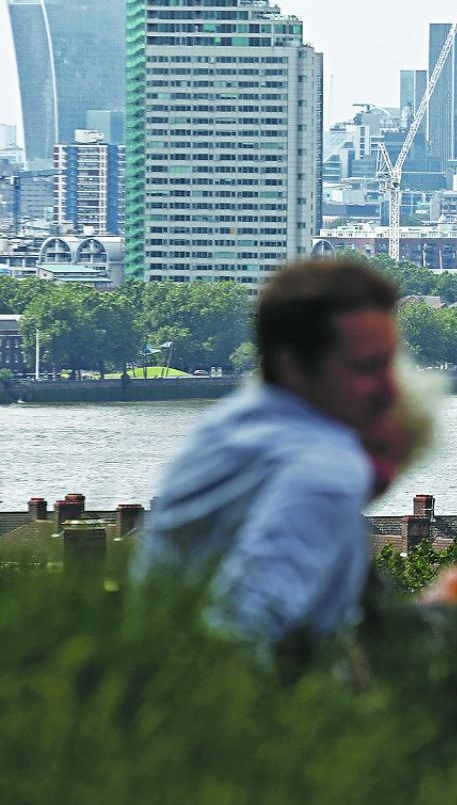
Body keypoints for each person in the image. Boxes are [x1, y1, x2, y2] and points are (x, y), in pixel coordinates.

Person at [134, 260, 404, 646]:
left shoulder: (225, 428)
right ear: (291, 365)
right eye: (365, 367)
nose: (390, 390)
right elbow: (242, 636)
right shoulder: (325, 466)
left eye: (389, 363)